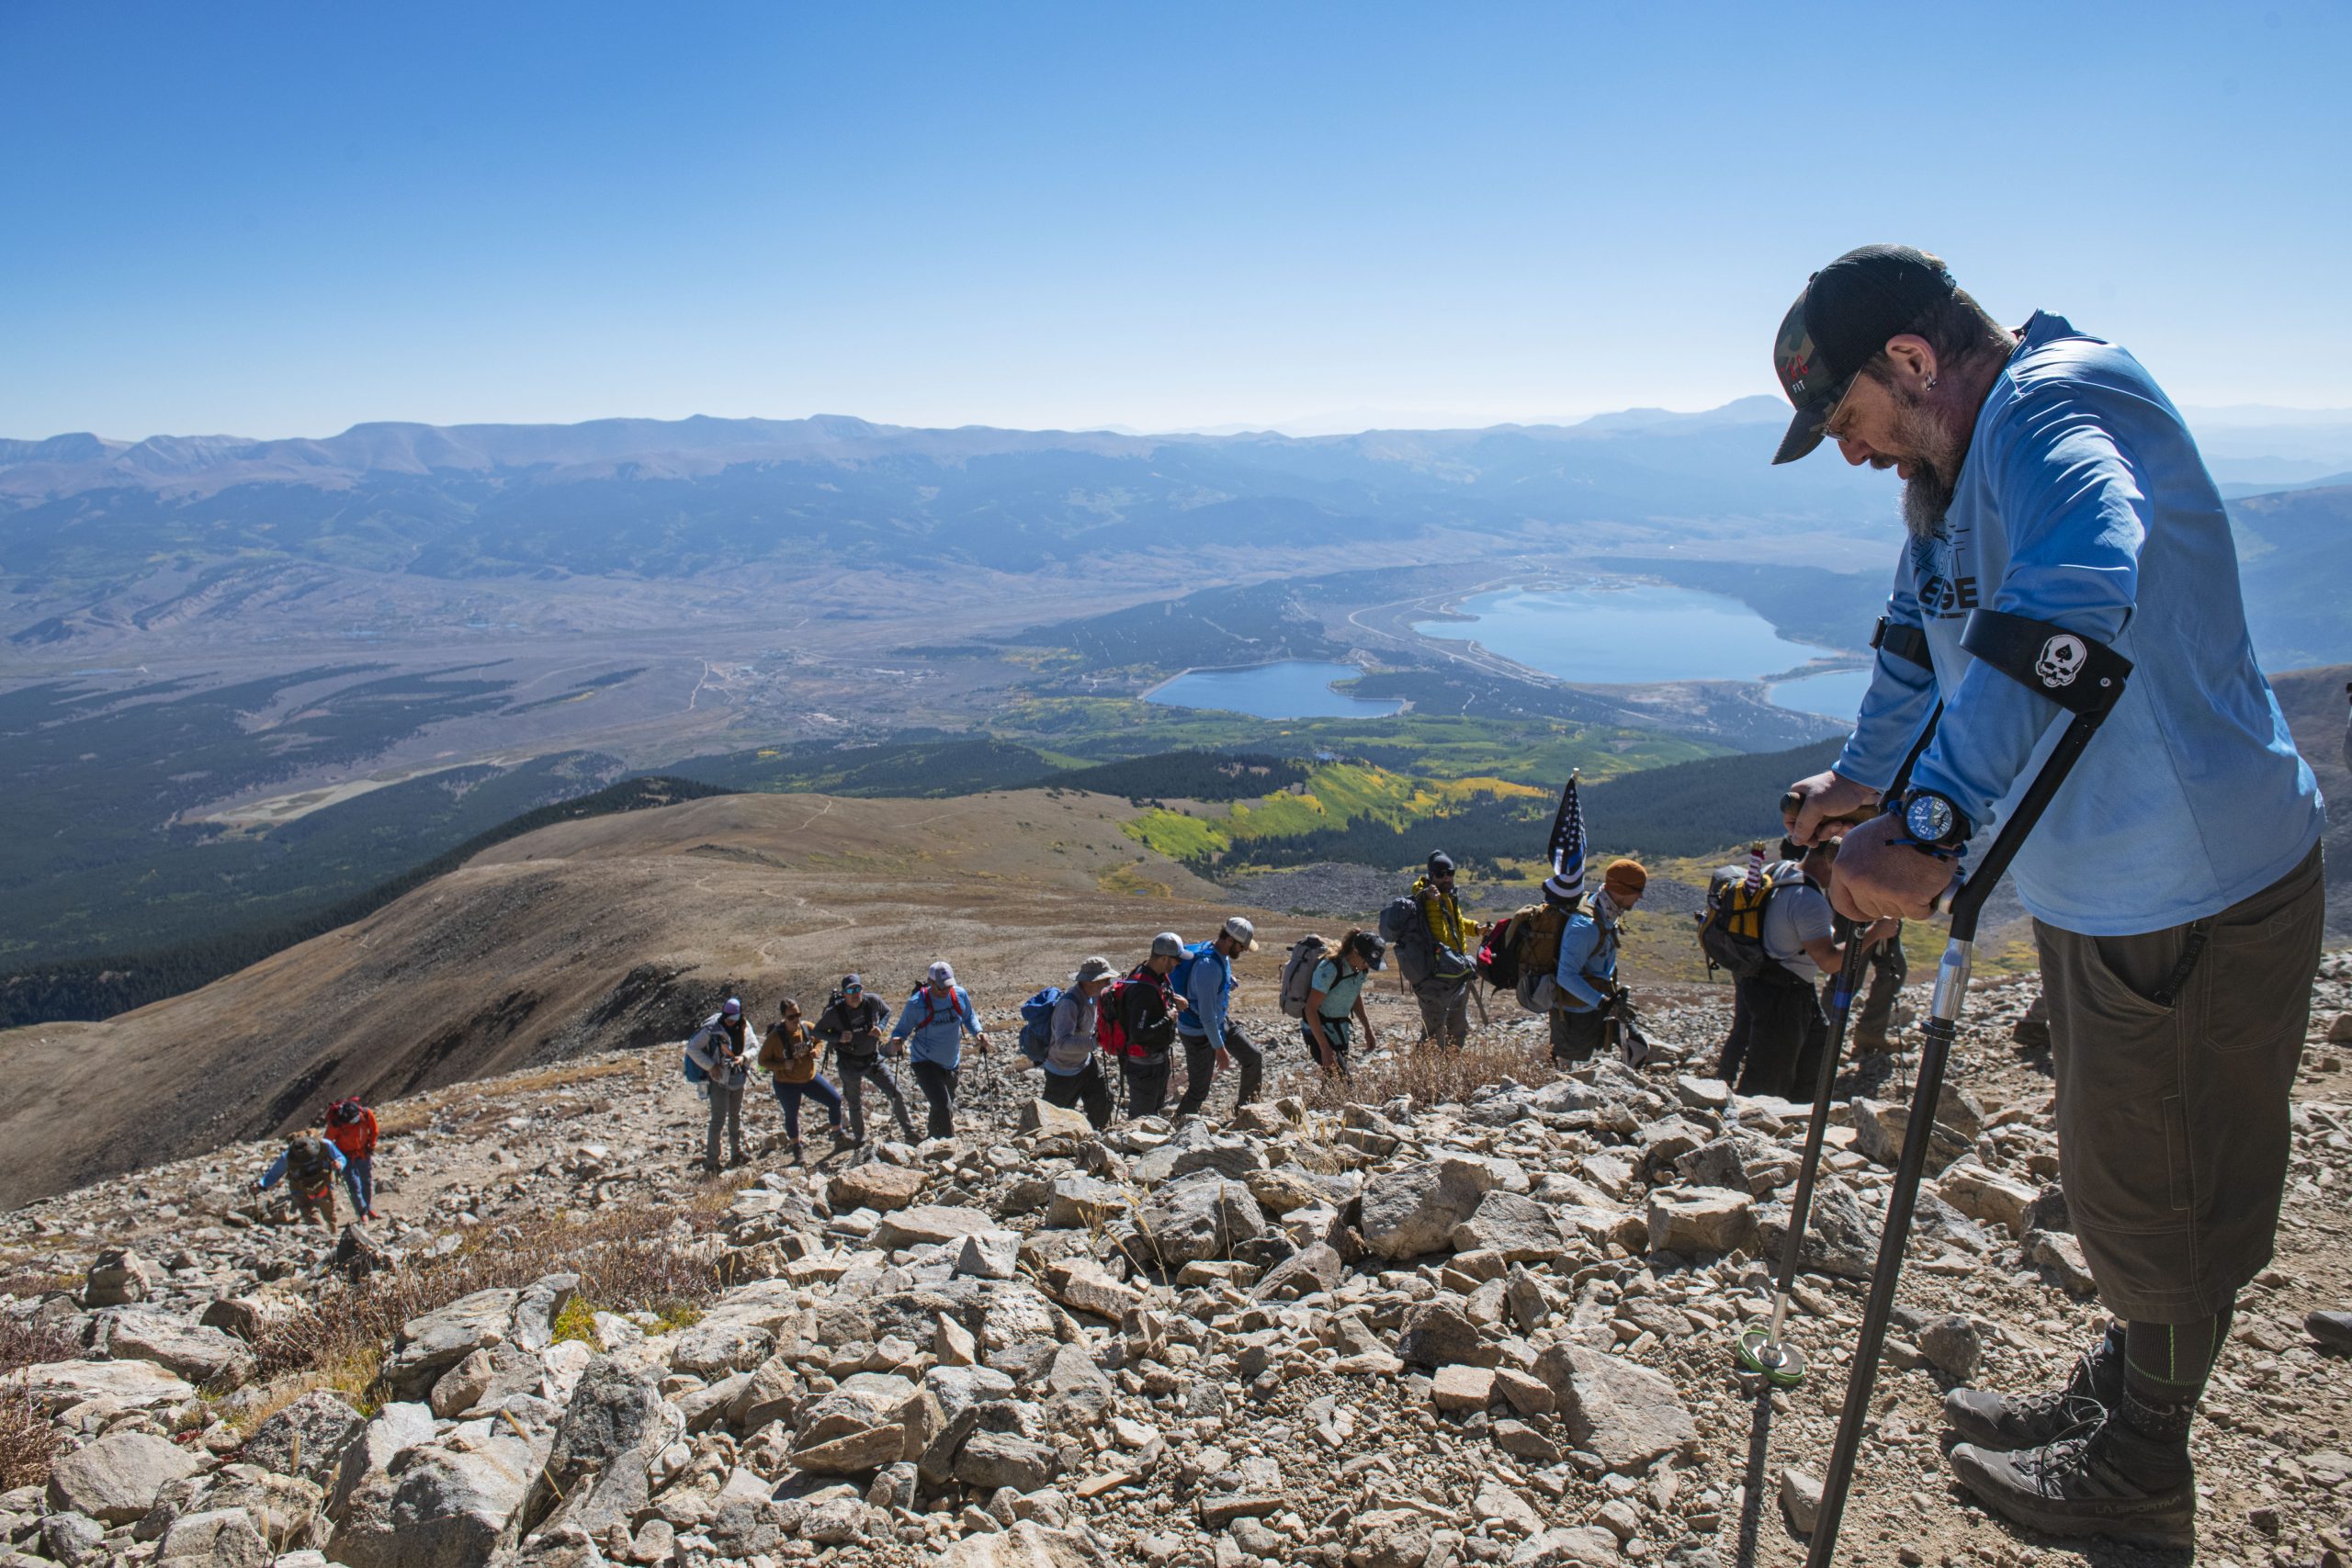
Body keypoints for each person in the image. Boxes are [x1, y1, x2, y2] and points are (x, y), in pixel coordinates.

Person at [1771, 244, 2325, 1547]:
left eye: (1848, 419)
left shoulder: (2053, 407)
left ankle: (2140, 1466)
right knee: (2129, 1163)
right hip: (2117, 884)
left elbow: (2085, 570)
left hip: (2191, 879)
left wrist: (1934, 818)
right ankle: (2132, 1391)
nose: (1853, 453)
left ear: (1910, 362)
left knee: (2164, 1183)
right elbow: (1925, 632)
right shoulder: (1946, 473)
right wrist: (1867, 779)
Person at [1735, 839, 1898, 1101]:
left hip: (1768, 983)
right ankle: (1752, 1124)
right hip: (1785, 995)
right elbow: (1830, 962)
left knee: (1810, 1058)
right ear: (1830, 863)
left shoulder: (1781, 870)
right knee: (1769, 1078)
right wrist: (1875, 933)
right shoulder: (1810, 901)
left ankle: (1799, 1119)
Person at [1546, 859, 1646, 1064]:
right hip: (1575, 1015)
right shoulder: (1585, 926)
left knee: (1638, 1048)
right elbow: (1565, 976)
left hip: (1598, 1004)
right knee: (1568, 1076)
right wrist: (1604, 1003)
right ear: (1621, 890)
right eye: (1638, 891)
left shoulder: (1605, 910)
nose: (1640, 897)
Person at [1174, 916, 1263, 1121]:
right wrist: (1219, 1048)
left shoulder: (1218, 953)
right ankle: (1174, 1129)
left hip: (1218, 1021)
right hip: (1199, 1031)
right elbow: (1206, 1016)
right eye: (1242, 947)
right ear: (1230, 940)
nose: (1243, 951)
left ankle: (1246, 1114)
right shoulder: (1208, 966)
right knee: (1199, 1091)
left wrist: (1227, 982)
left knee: (1253, 1057)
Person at [889, 961, 991, 1139]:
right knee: (944, 1106)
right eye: (941, 988)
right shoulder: (916, 1003)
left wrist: (979, 1032)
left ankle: (931, 1141)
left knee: (942, 1105)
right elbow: (901, 1030)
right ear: (930, 982)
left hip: (952, 1062)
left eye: (948, 986)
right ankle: (947, 1149)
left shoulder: (959, 994)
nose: (945, 991)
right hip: (924, 1062)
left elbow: (969, 1017)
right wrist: (898, 1040)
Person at [816, 975, 916, 1145]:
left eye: (857, 989)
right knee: (855, 1103)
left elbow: (888, 1011)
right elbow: (817, 1031)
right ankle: (860, 1139)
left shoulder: (873, 1001)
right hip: (849, 1063)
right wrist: (838, 1037)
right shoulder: (835, 1012)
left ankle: (910, 1132)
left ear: (862, 989)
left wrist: (881, 1027)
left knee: (895, 1093)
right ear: (844, 994)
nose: (855, 994)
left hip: (873, 1059)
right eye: (850, 991)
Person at [760, 998, 848, 1163]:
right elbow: (762, 1061)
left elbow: (820, 1039)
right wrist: (782, 1065)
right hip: (786, 1084)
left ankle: (838, 1137)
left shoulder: (807, 1027)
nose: (796, 1019)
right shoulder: (775, 1037)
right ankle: (797, 1149)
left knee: (835, 1100)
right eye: (791, 1017)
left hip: (809, 1077)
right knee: (792, 1115)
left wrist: (817, 1050)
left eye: (798, 1015)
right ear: (783, 1017)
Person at [1108, 934, 1187, 1118]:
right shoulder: (1143, 989)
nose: (1177, 964)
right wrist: (1169, 1019)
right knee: (1142, 1118)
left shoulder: (1154, 976)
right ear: (1164, 958)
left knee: (1153, 1112)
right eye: (1176, 960)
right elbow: (1139, 1033)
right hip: (1144, 1066)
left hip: (1156, 1061)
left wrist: (1175, 1007)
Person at [1033, 957, 1117, 1129]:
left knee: (1103, 1101)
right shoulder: (1069, 1004)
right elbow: (1062, 1043)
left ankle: (1098, 1137)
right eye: (1105, 980)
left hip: (1085, 1064)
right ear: (1090, 981)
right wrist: (1095, 1041)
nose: (1109, 983)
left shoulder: (1092, 997)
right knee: (1053, 1122)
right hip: (1062, 1072)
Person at [1411, 852, 1476, 1050]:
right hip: (1435, 977)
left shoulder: (1448, 896)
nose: (1446, 878)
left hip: (1456, 971)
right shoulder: (1424, 895)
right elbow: (1437, 931)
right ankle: (1424, 1076)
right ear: (1431, 875)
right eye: (1441, 874)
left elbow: (1455, 924)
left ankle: (1451, 1072)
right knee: (1434, 1029)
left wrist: (1476, 928)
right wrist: (1430, 899)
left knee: (1458, 1026)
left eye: (1450, 873)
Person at [686, 998, 757, 1173]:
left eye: (733, 1019)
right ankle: (712, 1162)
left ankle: (737, 1153)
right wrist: (711, 1066)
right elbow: (692, 1048)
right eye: (728, 1019)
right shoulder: (712, 1029)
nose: (729, 1022)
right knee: (718, 1119)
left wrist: (744, 1057)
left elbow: (755, 1046)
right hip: (719, 1080)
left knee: (735, 1116)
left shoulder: (745, 1027)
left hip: (738, 1078)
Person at [1303, 930, 1386, 1074]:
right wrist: (1324, 1047)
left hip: (1340, 1031)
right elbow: (1310, 1010)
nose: (1368, 966)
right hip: (1318, 1032)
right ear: (1355, 952)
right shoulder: (1329, 969)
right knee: (1343, 1082)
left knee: (1334, 1081)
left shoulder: (1359, 970)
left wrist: (1368, 1028)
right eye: (1367, 961)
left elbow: (1354, 995)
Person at [254, 1132, 349, 1230]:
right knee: (312, 1220)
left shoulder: (325, 1145)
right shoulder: (287, 1157)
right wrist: (261, 1185)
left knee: (329, 1214)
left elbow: (341, 1158)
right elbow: (274, 1174)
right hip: (300, 1189)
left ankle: (333, 1233)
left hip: (323, 1184)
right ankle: (320, 1235)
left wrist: (339, 1164)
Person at [1848, 915, 1908, 1053]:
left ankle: (1870, 1032)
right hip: (1856, 912)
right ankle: (1821, 1040)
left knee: (1893, 971)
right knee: (1848, 976)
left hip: (1886, 910)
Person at [323, 1096, 379, 1220]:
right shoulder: (336, 1123)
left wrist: (371, 1146)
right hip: (345, 1157)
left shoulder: (366, 1114)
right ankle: (362, 1212)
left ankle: (368, 1208)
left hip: (363, 1152)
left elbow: (374, 1130)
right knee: (354, 1185)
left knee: (366, 1181)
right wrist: (334, 1159)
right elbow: (327, 1142)